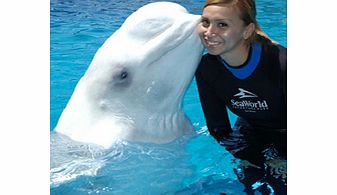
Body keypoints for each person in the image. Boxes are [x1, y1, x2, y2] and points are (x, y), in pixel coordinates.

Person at [195, 0, 287, 194]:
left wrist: (285, 158)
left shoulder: (281, 64)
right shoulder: (207, 68)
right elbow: (218, 127)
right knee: (251, 183)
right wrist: (245, 156)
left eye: (222, 24)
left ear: (247, 30)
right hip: (250, 130)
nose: (209, 32)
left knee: (281, 184)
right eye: (205, 22)